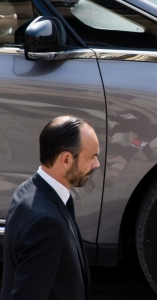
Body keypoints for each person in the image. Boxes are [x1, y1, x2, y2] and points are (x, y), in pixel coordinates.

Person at [1, 116, 100, 300]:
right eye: (92, 156)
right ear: (67, 159)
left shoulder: (27, 190)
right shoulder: (46, 223)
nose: (97, 164)